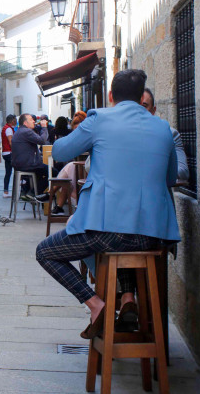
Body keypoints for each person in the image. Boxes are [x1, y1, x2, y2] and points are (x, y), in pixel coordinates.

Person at [35, 69, 180, 340]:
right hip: (153, 236)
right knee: (117, 244)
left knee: (46, 252)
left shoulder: (100, 119)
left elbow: (61, 151)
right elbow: (170, 178)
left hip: (107, 230)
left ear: (111, 96)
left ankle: (97, 305)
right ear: (141, 98)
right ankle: (127, 300)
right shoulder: (162, 127)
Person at [141, 87, 189, 182]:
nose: (139, 110)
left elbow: (183, 171)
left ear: (153, 110)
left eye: (144, 106)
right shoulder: (121, 135)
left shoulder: (170, 133)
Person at [11, 114, 55, 202]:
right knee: (53, 172)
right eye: (31, 119)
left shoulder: (19, 131)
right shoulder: (26, 132)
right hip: (28, 165)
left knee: (40, 174)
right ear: (25, 122)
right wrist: (44, 127)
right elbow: (42, 141)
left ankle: (27, 191)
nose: (34, 121)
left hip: (20, 165)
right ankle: (33, 193)